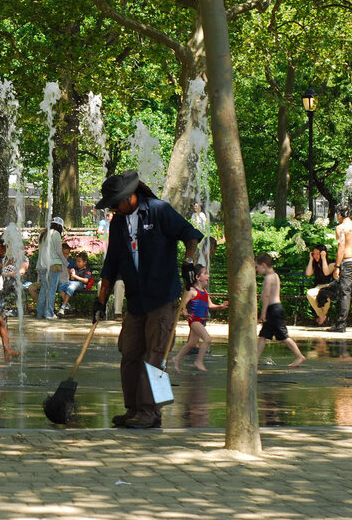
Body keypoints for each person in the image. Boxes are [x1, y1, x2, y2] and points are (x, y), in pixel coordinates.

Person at [92, 170, 202, 429]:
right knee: (129, 352)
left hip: (162, 297)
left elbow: (191, 234)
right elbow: (110, 265)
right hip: (137, 300)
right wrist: (100, 300)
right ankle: (134, 409)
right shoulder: (118, 223)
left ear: (130, 197)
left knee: (157, 354)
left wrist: (188, 260)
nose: (113, 209)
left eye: (115, 203)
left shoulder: (158, 210)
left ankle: (151, 412)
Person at [171, 267, 227, 372]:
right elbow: (183, 303)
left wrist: (220, 306)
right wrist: (185, 312)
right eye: (205, 274)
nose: (208, 276)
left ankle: (176, 358)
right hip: (194, 321)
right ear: (197, 277)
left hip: (202, 321)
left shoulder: (205, 292)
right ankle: (199, 361)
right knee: (207, 339)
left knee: (191, 344)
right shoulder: (192, 291)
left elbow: (210, 305)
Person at [256, 252, 306, 367]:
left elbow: (266, 296)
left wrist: (263, 312)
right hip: (275, 308)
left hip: (273, 309)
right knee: (263, 335)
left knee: (283, 336)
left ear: (263, 265)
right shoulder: (275, 275)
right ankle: (255, 358)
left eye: (257, 267)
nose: (256, 270)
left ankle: (299, 356)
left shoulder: (268, 278)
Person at [325, 205, 352, 332]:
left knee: (345, 293)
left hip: (348, 262)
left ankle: (341, 324)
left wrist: (337, 266)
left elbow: (341, 248)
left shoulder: (341, 228)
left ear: (339, 214)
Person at [36, 217, 67, 319]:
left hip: (41, 265)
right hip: (53, 265)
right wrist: (64, 261)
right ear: (58, 226)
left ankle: (40, 313)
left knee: (44, 288)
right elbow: (58, 251)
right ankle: (49, 313)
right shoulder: (56, 234)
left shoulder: (43, 234)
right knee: (52, 289)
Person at [305, 244, 336, 326]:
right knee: (310, 293)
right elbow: (308, 273)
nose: (316, 256)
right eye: (314, 254)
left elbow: (326, 272)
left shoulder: (331, 263)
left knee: (325, 296)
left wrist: (323, 258)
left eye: (318, 253)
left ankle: (321, 318)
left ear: (324, 253)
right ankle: (322, 316)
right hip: (319, 287)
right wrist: (311, 259)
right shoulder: (315, 264)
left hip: (329, 286)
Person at [57, 251, 93, 315]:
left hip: (81, 284)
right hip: (72, 283)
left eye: (79, 261)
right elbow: (72, 279)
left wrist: (75, 276)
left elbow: (85, 280)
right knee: (62, 284)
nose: (77, 263)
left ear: (85, 262)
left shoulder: (87, 270)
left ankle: (63, 307)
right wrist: (71, 273)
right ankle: (67, 304)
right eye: (77, 261)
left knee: (71, 286)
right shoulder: (75, 269)